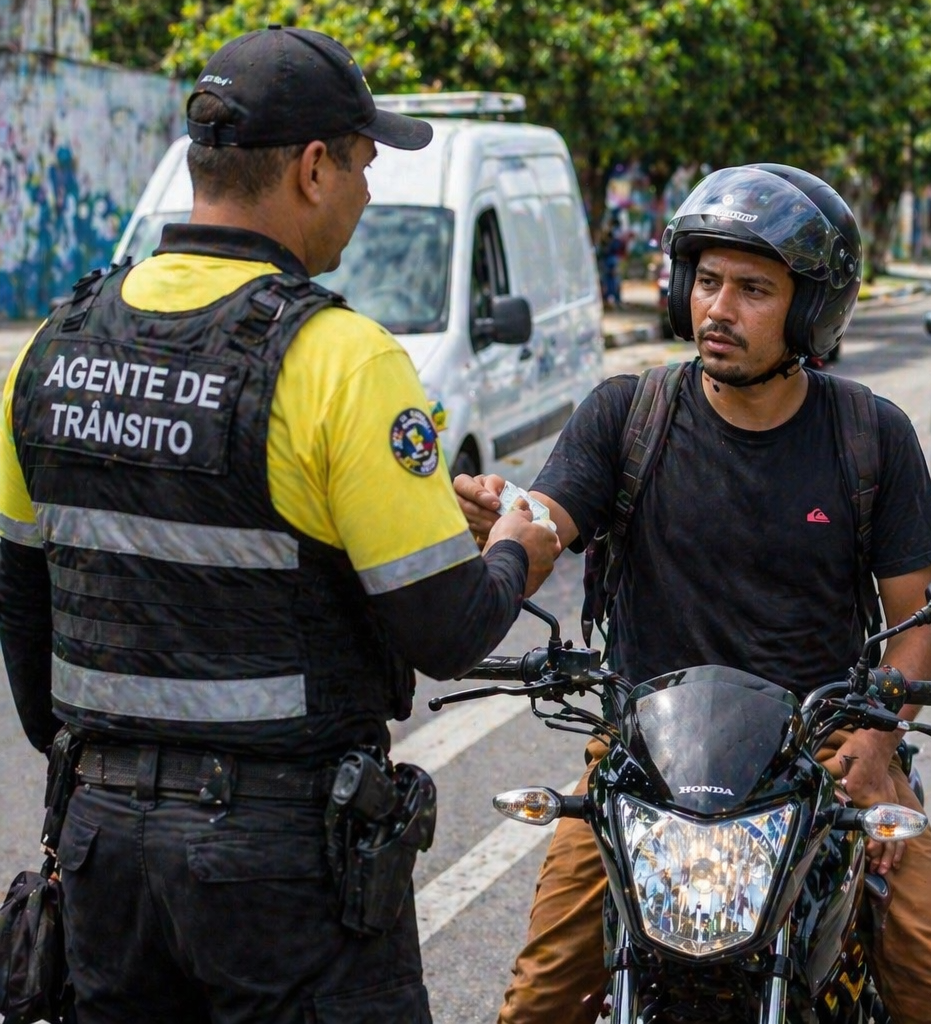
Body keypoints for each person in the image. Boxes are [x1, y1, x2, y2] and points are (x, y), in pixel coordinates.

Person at [0, 27, 560, 1023]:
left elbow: (30, 651)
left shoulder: (49, 350)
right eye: (363, 165)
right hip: (280, 866)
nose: (369, 194)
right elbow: (448, 630)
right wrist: (522, 546)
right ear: (312, 168)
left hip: (100, 849)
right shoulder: (341, 360)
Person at [455, 164, 931, 1022]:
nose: (719, 309)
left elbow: (915, 620)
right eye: (706, 282)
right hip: (644, 760)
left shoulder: (869, 437)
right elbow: (552, 518)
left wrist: (881, 734)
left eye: (752, 289)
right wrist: (509, 522)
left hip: (820, 754)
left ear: (811, 311)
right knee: (539, 999)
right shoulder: (629, 414)